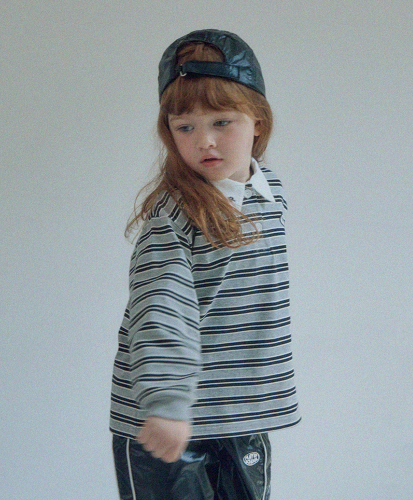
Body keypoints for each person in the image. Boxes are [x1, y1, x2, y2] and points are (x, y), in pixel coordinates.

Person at [110, 29, 301, 500]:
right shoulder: (174, 215)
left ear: (258, 122)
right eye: (186, 127)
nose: (205, 141)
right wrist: (167, 404)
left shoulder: (270, 193)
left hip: (241, 414)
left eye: (222, 121)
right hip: (171, 424)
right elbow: (159, 310)